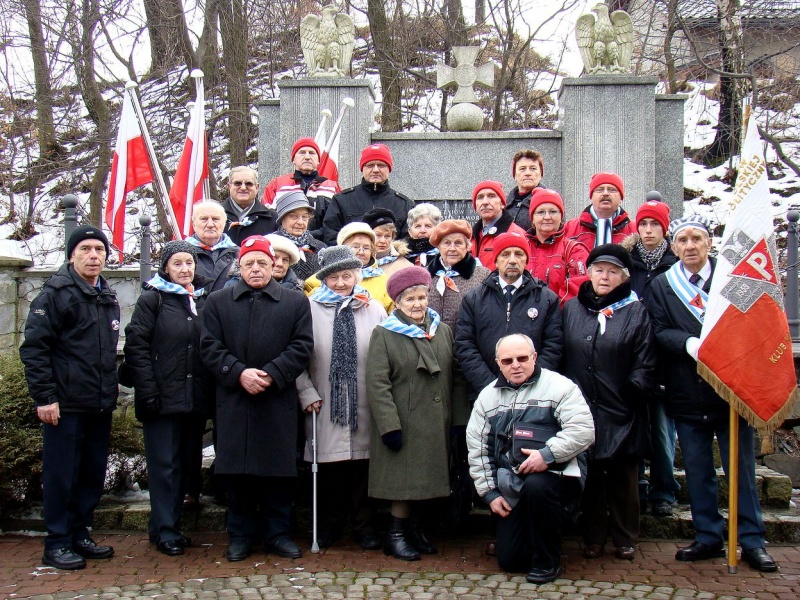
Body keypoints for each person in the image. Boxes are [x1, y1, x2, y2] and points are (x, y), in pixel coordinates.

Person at [648, 216, 778, 572]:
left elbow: (754, 324)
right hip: (687, 390)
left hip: (732, 393)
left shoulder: (733, 280)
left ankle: (751, 540)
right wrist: (690, 343)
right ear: (673, 247)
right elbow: (659, 330)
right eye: (683, 240)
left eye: (697, 238)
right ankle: (708, 535)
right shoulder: (663, 286)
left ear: (709, 242)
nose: (690, 246)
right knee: (698, 469)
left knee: (741, 470)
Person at [200, 235, 313, 562]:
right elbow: (209, 345)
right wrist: (238, 373)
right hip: (235, 400)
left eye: (263, 262)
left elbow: (303, 346)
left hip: (276, 400)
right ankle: (240, 535)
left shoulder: (294, 302)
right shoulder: (219, 301)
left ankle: (278, 533)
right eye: (249, 263)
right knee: (238, 474)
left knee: (278, 472)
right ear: (240, 266)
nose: (256, 269)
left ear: (275, 264)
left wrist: (272, 373)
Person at [20, 226, 119, 570]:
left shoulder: (105, 294)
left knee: (91, 474)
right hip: (65, 404)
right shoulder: (55, 295)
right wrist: (45, 397)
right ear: (72, 254)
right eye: (86, 249)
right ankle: (57, 541)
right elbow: (34, 349)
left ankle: (79, 533)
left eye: (99, 250)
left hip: (98, 402)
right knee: (63, 475)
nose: (94, 256)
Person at [466, 334, 594, 584]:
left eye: (522, 358)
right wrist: (490, 494)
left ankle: (548, 562)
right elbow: (477, 448)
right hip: (512, 486)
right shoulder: (487, 398)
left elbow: (583, 430)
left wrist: (547, 455)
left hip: (556, 479)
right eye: (508, 360)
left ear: (534, 357)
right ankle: (528, 541)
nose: (515, 365)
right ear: (498, 363)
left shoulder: (560, 387)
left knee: (537, 486)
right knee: (511, 561)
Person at [562, 244, 656, 561]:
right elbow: (563, 355)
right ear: (588, 273)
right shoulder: (573, 309)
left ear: (624, 276)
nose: (605, 276)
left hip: (622, 407)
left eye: (613, 271)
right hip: (581, 406)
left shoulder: (636, 311)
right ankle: (593, 535)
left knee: (623, 478)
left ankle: (625, 536)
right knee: (589, 477)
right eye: (599, 270)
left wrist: (633, 390)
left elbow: (646, 362)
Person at [366, 267, 467, 561]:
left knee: (427, 481)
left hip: (437, 421)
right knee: (404, 483)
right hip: (404, 423)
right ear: (397, 302)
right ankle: (395, 536)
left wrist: (458, 420)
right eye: (409, 298)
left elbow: (456, 376)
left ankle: (415, 530)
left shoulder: (442, 330)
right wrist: (389, 426)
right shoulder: (384, 334)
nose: (417, 304)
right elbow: (377, 383)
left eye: (422, 297)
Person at [123, 241, 212, 556]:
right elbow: (137, 345)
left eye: (189, 263)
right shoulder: (153, 299)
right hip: (162, 399)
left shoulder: (202, 299)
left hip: (194, 399)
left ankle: (162, 527)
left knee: (186, 466)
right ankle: (166, 530)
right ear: (165, 267)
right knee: (165, 467)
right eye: (178, 263)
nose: (185, 269)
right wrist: (147, 390)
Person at [297, 246, 388, 549]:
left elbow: (386, 354)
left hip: (365, 399)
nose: (340, 283)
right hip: (323, 400)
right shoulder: (308, 308)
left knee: (364, 467)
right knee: (328, 469)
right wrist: (305, 391)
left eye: (346, 275)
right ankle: (329, 524)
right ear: (323, 279)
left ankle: (364, 525)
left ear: (356, 275)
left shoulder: (373, 308)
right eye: (333, 277)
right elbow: (295, 356)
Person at [621, 199, 680, 517]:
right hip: (631, 352)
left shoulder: (675, 263)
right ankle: (639, 487)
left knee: (660, 427)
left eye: (654, 224)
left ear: (664, 228)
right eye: (643, 224)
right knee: (635, 423)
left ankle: (663, 489)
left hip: (662, 354)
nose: (647, 230)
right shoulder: (627, 262)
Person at [456, 231, 563, 402]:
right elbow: (465, 345)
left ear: (526, 260)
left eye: (519, 254)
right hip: (486, 395)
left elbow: (553, 345)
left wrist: (531, 383)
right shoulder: (474, 299)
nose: (512, 260)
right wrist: (491, 386)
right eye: (505, 254)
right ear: (496, 260)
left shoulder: (547, 299)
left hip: (532, 395)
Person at [322, 143, 415, 246]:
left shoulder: (405, 204)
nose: (375, 170)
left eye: (381, 165)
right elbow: (330, 235)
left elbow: (408, 240)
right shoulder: (341, 200)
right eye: (370, 165)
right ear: (362, 169)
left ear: (389, 168)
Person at [305, 222, 394, 313]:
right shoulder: (317, 281)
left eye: (366, 248)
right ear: (342, 247)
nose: (361, 252)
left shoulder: (385, 282)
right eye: (355, 247)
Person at [262, 137, 340, 238]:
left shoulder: (332, 187)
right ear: (293, 159)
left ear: (318, 160)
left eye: (312, 153)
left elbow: (336, 222)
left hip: (321, 245)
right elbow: (268, 219)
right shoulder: (277, 185)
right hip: (285, 245)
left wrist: (314, 236)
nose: (307, 157)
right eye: (302, 152)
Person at [426, 219, 491, 332]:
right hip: (431, 343)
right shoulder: (425, 275)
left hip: (467, 343)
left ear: (467, 246)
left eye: (458, 243)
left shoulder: (483, 275)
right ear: (438, 247)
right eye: (446, 243)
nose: (452, 248)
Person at [526, 188, 589, 304]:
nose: (547, 217)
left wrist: (551, 312)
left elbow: (578, 287)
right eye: (540, 212)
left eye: (553, 211)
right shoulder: (520, 248)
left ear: (561, 217)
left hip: (558, 318)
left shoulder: (574, 250)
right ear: (532, 219)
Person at [563, 172, 637, 249]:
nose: (605, 193)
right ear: (591, 197)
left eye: (612, 190)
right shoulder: (569, 228)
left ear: (621, 198)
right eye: (600, 190)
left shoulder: (635, 230)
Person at [470, 180, 527, 269]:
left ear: (502, 204)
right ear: (475, 206)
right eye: (480, 197)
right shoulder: (469, 237)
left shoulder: (516, 234)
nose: (485, 202)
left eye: (491, 196)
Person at [273, 190, 327, 282]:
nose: (300, 222)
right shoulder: (270, 245)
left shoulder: (320, 248)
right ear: (282, 219)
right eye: (294, 217)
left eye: (305, 217)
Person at [186, 201, 239, 292]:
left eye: (215, 219)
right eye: (204, 219)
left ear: (224, 224)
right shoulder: (181, 254)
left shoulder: (239, 254)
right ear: (194, 224)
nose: (210, 224)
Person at [222, 166, 277, 245]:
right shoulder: (214, 216)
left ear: (257, 187)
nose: (243, 188)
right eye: (238, 183)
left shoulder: (273, 219)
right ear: (229, 186)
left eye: (249, 184)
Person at [362, 207, 413, 277]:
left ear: (393, 237)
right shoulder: (356, 263)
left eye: (387, 236)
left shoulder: (404, 267)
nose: (383, 241)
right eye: (378, 235)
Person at [505, 149, 546, 231]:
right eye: (522, 169)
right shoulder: (505, 204)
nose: (527, 173)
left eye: (533, 168)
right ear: (515, 175)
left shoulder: (549, 201)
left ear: (541, 173)